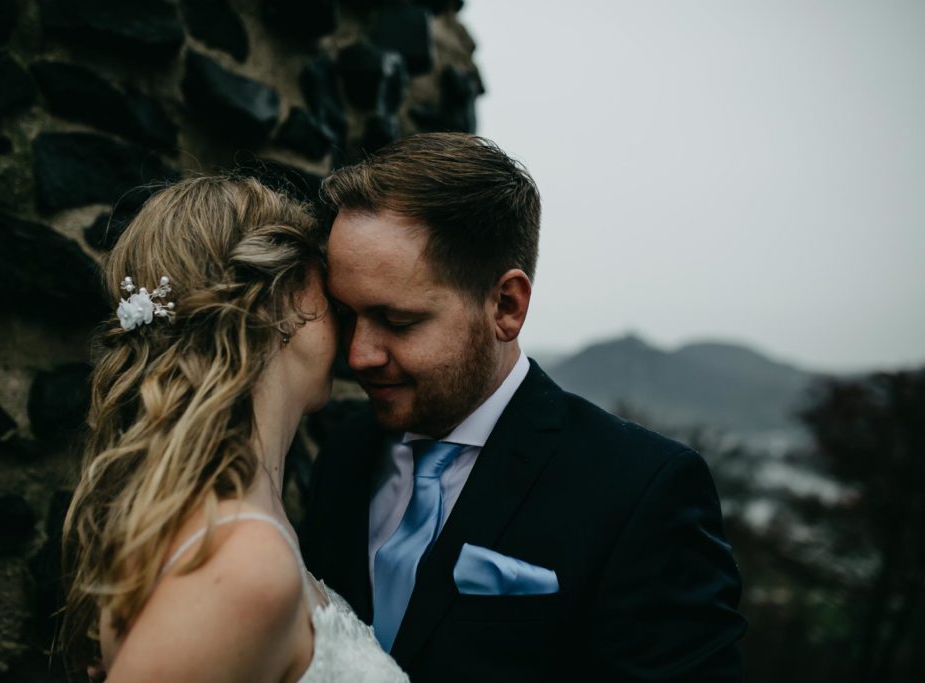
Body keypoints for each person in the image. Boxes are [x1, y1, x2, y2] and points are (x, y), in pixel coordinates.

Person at [301, 133, 747, 681]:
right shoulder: (343, 454)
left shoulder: (642, 491)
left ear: (506, 307)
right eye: (346, 315)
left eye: (397, 322)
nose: (358, 355)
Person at [61, 176, 409, 682]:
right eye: (333, 300)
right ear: (286, 302)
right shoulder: (240, 563)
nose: (352, 336)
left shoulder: (238, 527)